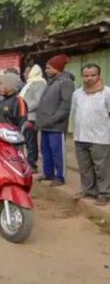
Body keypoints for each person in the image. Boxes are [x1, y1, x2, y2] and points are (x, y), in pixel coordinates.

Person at [72, 64, 110, 205]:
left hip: (100, 138)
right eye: (86, 76)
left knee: (102, 168)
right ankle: (89, 191)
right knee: (85, 167)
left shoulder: (107, 93)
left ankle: (104, 193)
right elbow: (75, 112)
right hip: (80, 136)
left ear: (99, 76)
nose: (89, 78)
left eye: (93, 75)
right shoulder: (77, 93)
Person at [36, 54, 75, 187]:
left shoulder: (66, 82)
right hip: (46, 124)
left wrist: (53, 119)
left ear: (56, 68)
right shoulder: (52, 81)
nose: (46, 70)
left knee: (57, 152)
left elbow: (65, 105)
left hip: (56, 125)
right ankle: (48, 173)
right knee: (45, 150)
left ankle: (60, 176)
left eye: (48, 68)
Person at [20, 65, 46, 173]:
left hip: (31, 117)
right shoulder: (30, 83)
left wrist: (25, 108)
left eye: (26, 72)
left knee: (31, 141)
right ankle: (28, 162)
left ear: (33, 72)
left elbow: (38, 101)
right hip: (26, 116)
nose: (24, 74)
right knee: (27, 140)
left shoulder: (39, 83)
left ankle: (32, 164)